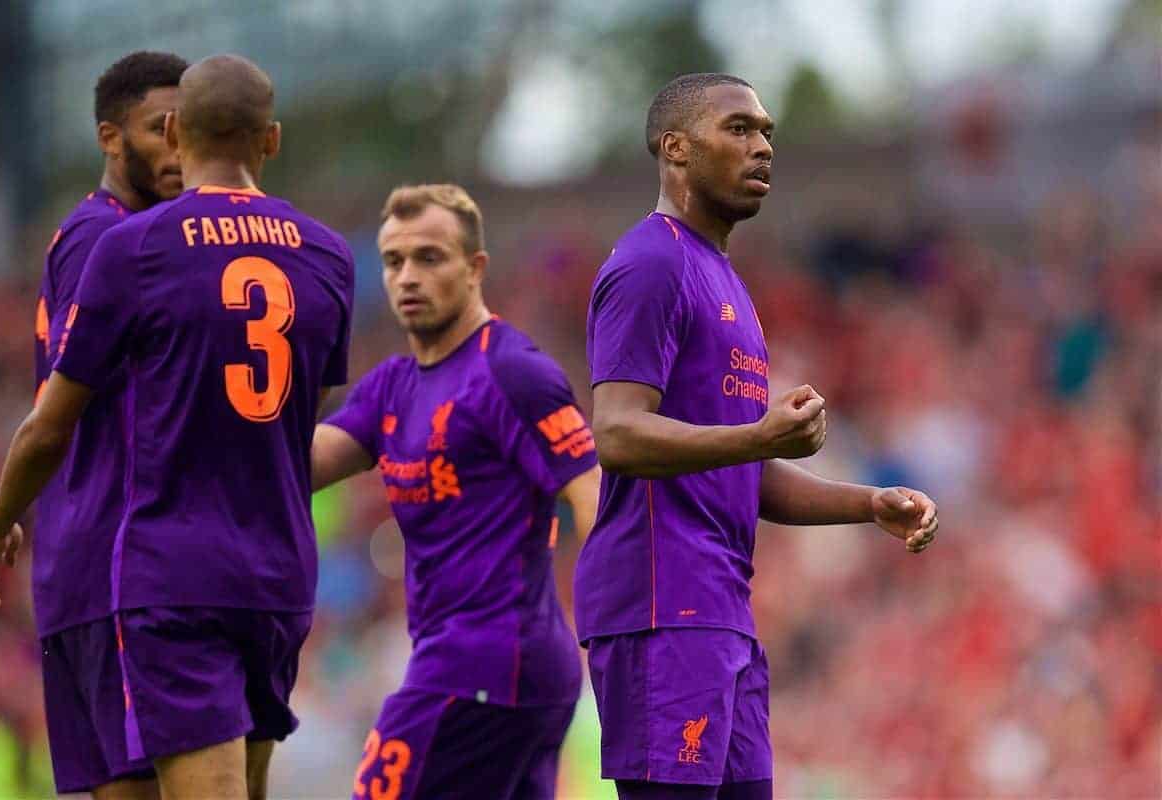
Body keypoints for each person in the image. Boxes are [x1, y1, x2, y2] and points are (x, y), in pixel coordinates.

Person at [0, 54, 356, 800]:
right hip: (274, 570)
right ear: (271, 140)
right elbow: (303, 414)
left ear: (180, 131)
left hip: (151, 572)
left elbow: (51, 421)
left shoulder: (132, 245)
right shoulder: (329, 254)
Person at [576, 73, 940, 800]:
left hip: (719, 612)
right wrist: (759, 437)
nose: (763, 145)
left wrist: (868, 504)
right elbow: (615, 434)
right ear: (676, 149)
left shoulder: (724, 280)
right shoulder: (653, 264)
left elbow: (744, 470)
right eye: (739, 129)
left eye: (767, 131)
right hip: (662, 606)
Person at [311, 183, 601, 800]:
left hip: (492, 660)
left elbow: (593, 492)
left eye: (430, 257)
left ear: (475, 269)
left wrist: (620, 624)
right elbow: (303, 463)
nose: (408, 277)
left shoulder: (513, 371)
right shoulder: (391, 385)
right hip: (472, 662)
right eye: (394, 261)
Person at [32, 49, 188, 800]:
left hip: (81, 567)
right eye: (160, 130)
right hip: (121, 566)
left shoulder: (97, 236)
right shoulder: (111, 241)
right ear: (109, 137)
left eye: (190, 130)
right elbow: (65, 407)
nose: (179, 149)